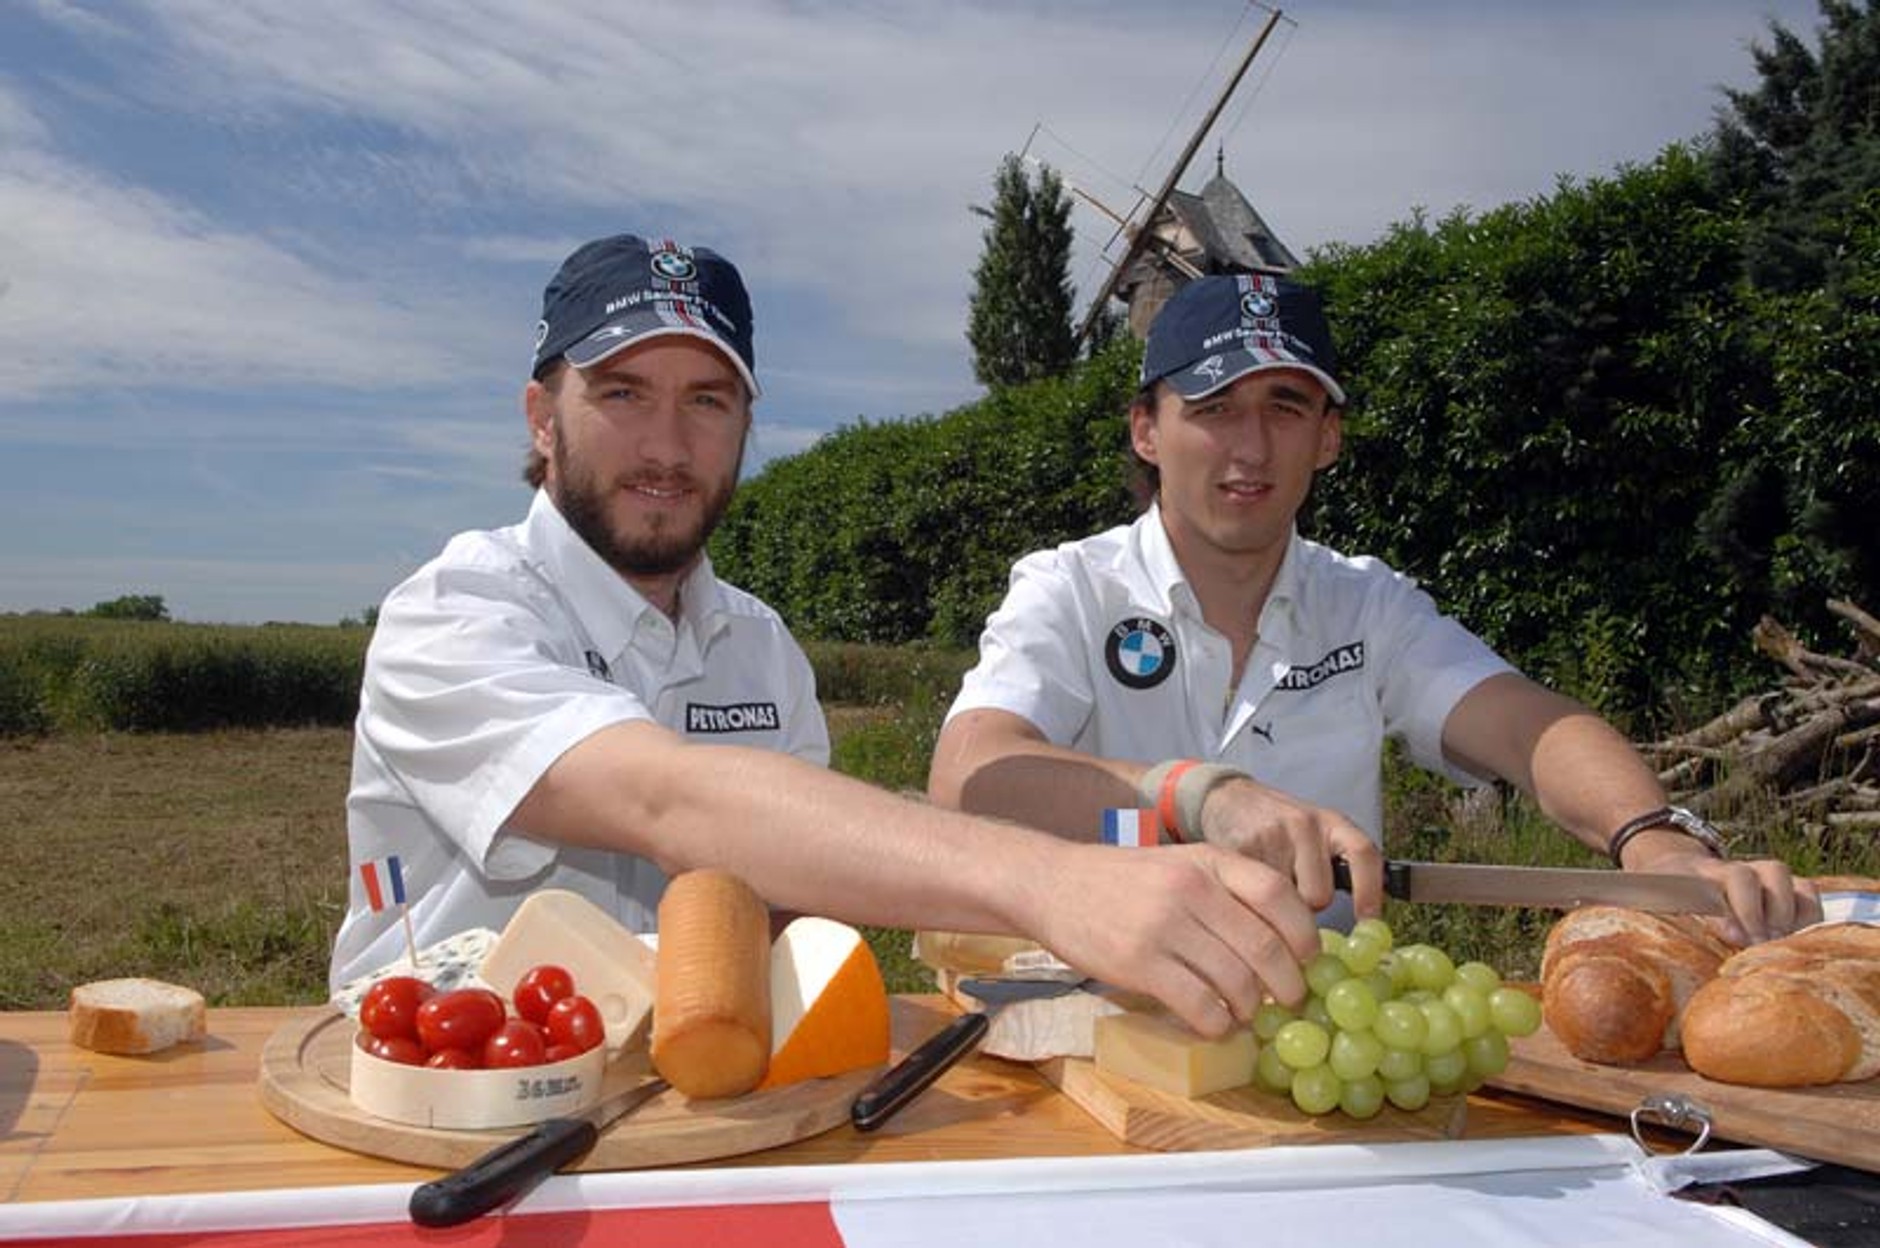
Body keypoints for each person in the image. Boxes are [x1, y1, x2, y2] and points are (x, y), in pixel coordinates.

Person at [330, 234, 1324, 1038]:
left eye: (707, 401)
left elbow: (791, 900)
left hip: (692, 1108)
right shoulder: (456, 611)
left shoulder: (757, 644)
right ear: (543, 416)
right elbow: (665, 795)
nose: (668, 447)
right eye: (623, 393)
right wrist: (1054, 882)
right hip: (436, 1097)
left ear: (746, 424)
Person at [928, 272, 1819, 949]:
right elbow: (971, 773)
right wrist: (1195, 795)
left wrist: (1654, 842)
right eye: (1213, 407)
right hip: (1091, 1020)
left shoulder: (1363, 603)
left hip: (1314, 1041)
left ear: (1327, 438)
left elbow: (1528, 727)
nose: (1249, 446)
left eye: (1286, 407)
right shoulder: (1070, 587)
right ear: (1147, 430)